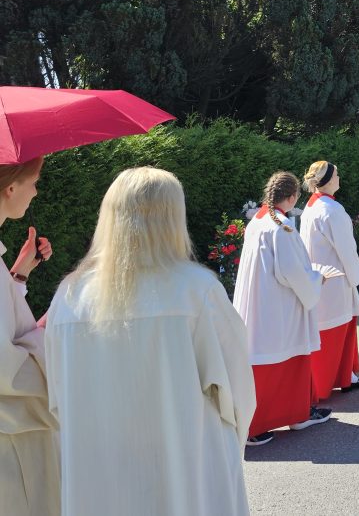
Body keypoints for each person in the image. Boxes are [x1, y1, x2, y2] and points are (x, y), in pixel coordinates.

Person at [46, 167, 254, 514]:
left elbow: (57, 399)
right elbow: (237, 392)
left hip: (99, 475)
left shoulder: (68, 298)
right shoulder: (197, 291)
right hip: (187, 473)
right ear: (174, 217)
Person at [234, 171, 336, 445]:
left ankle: (292, 413)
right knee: (281, 358)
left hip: (260, 300)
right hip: (278, 305)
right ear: (291, 198)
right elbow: (292, 273)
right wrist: (318, 278)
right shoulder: (282, 227)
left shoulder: (258, 221)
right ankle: (263, 423)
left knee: (267, 358)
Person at [0, 157, 59, 516]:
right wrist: (49, 334)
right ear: (10, 187)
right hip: (12, 443)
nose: (36, 191)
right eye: (33, 181)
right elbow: (6, 369)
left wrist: (18, 276)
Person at [300, 161, 359, 400]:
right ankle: (326, 384)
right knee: (336, 331)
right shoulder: (331, 209)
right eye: (337, 174)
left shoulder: (311, 206)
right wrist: (356, 277)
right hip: (336, 277)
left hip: (320, 276)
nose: (339, 177)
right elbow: (346, 248)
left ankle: (345, 376)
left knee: (337, 329)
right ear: (329, 179)